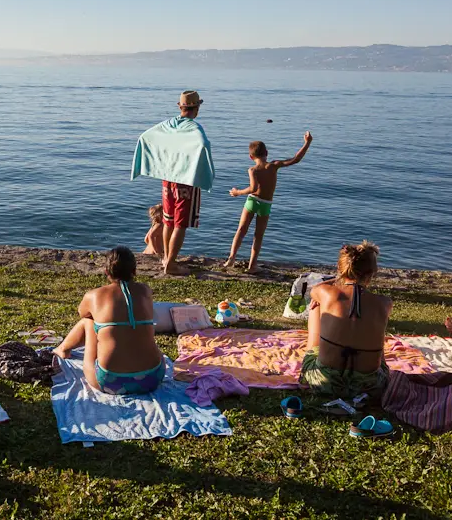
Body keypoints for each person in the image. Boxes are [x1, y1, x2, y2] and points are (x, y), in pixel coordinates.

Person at [54, 247, 166, 395]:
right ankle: (64, 349)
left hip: (110, 382)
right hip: (153, 378)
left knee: (89, 321)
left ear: (107, 272)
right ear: (134, 271)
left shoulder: (94, 295)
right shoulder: (145, 290)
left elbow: (83, 313)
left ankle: (63, 349)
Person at [130, 90, 215, 276]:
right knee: (180, 224)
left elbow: (145, 136)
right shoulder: (193, 127)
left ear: (180, 106)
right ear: (197, 107)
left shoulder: (169, 124)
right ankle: (171, 264)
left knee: (168, 221)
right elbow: (202, 144)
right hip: (186, 180)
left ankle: (166, 259)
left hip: (168, 180)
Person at [300, 241, 391, 398]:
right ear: (372, 273)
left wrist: (338, 278)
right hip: (370, 387)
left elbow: (315, 290)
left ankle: (312, 351)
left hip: (324, 382)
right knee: (373, 323)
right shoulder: (384, 303)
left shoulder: (325, 292)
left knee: (316, 305)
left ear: (340, 268)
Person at [224, 132, 312, 272]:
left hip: (252, 201)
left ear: (251, 157)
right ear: (267, 152)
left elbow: (253, 188)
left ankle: (231, 258)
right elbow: (295, 159)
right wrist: (307, 143)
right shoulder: (274, 165)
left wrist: (237, 192)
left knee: (241, 230)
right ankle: (252, 266)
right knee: (258, 236)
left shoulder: (252, 170)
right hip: (265, 204)